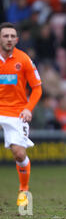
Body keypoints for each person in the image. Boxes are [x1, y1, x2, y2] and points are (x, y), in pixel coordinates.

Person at [0, 22, 42, 206]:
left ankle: (23, 190)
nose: (9, 39)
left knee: (18, 153)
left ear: (17, 39)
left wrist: (28, 108)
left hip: (16, 112)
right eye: (5, 36)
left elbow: (37, 88)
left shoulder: (23, 59)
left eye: (12, 36)